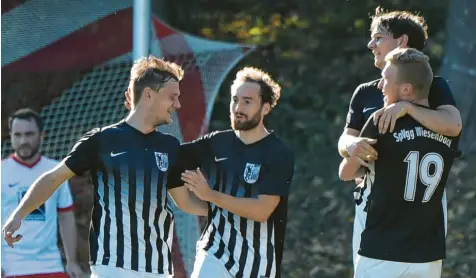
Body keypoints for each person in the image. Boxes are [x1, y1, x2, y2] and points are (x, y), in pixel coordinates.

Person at [3, 56, 208, 278]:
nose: (177, 105)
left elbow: (185, 202)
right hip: (112, 269)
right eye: (172, 97)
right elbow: (52, 179)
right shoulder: (102, 140)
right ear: (149, 95)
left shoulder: (169, 147)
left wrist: (224, 208)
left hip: (157, 270)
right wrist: (18, 214)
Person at [337, 7, 463, 266]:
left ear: (402, 41)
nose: (371, 44)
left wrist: (406, 107)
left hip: (420, 203)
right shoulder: (365, 92)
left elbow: (453, 125)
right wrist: (353, 144)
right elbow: (344, 142)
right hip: (375, 201)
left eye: (379, 37)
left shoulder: (433, 86)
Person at [169, 67, 295, 278]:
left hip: (259, 263)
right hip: (214, 251)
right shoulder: (216, 143)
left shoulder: (278, 153)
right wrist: (195, 205)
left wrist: (210, 196)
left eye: (247, 101)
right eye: (234, 100)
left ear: (265, 108)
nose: (238, 107)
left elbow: (261, 211)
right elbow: (170, 161)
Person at [1, 108, 83, 278]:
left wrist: (72, 261)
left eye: (29, 134)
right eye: (18, 135)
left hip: (50, 266)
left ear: (42, 135)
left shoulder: (56, 171)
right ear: (11, 136)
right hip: (11, 269)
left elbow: (66, 216)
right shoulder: (2, 171)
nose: (23, 140)